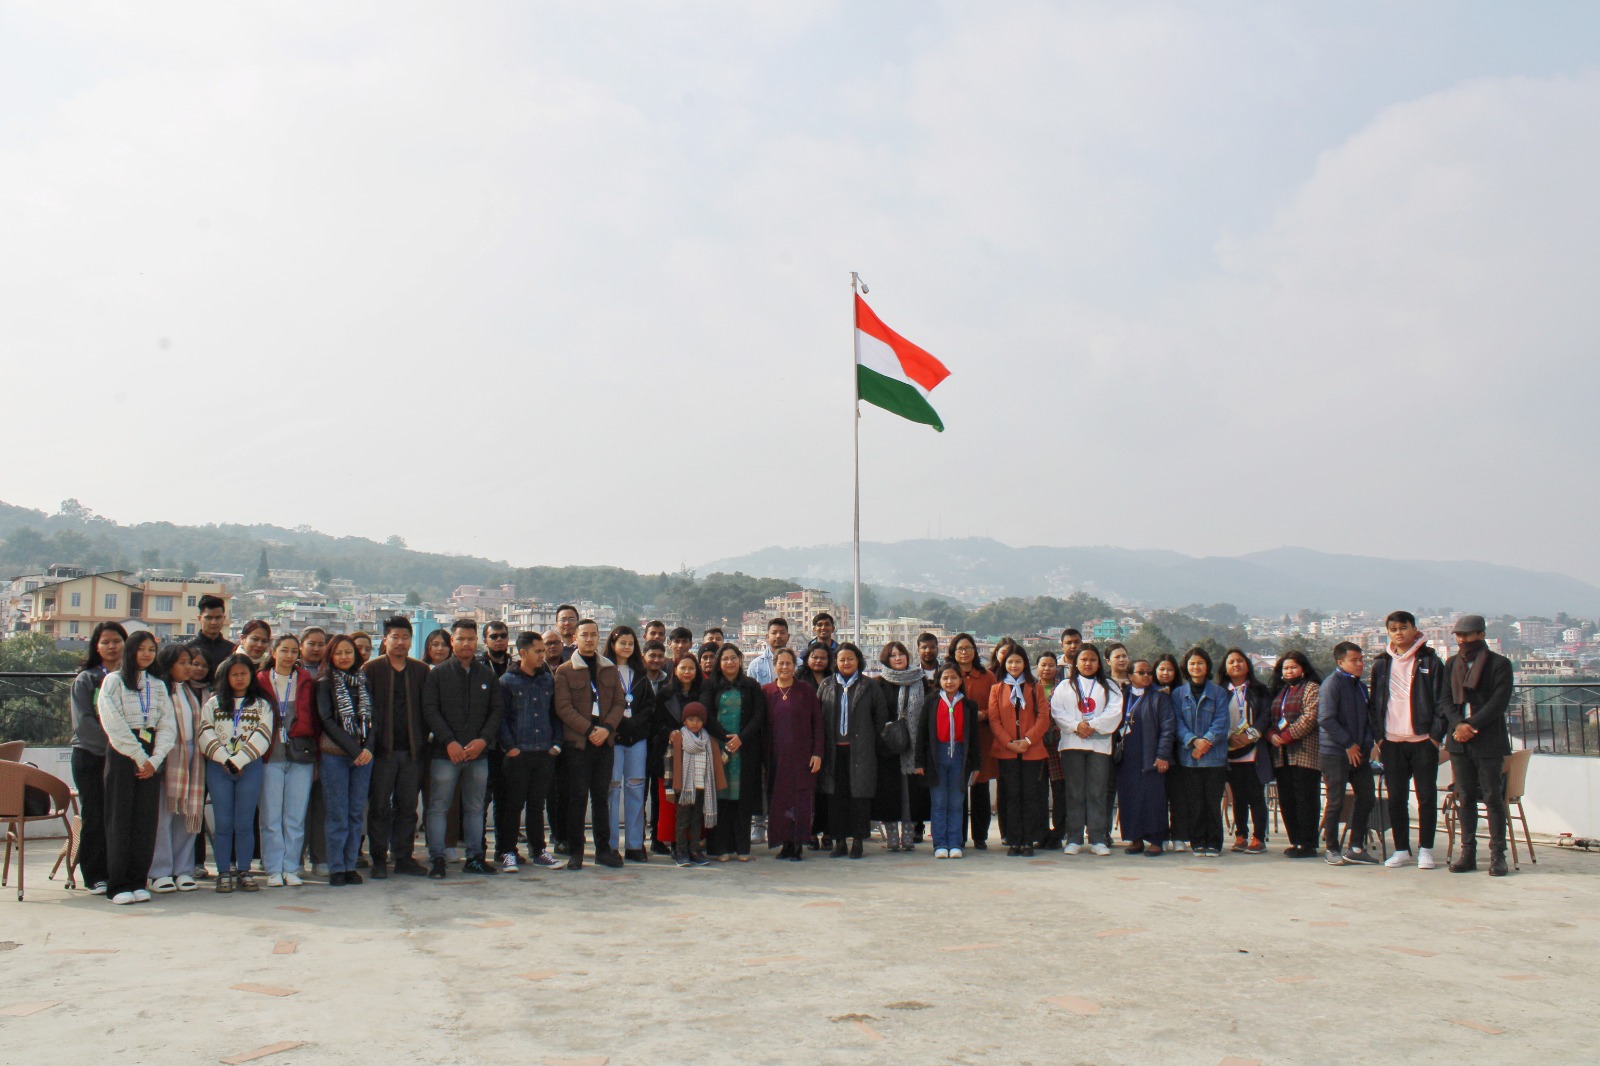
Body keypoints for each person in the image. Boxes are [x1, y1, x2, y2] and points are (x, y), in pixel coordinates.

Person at [96, 630, 176, 904]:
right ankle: (118, 885)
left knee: (145, 820)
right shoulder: (113, 682)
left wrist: (154, 760)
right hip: (122, 754)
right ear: (130, 651)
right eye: (141, 649)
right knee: (120, 819)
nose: (146, 654)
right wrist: (138, 756)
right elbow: (112, 723)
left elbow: (167, 725)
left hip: (151, 756)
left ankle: (137, 880)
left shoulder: (158, 685)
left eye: (151, 650)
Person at [421, 618, 505, 878]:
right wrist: (449, 742)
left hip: (478, 754)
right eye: (461, 639)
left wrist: (482, 741)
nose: (466, 643)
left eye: (471, 639)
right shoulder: (438, 674)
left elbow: (496, 711)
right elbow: (430, 710)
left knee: (475, 807)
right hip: (445, 754)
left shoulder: (486, 674)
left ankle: (475, 857)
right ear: (452, 642)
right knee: (438, 806)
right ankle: (437, 858)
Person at [1369, 611, 1448, 870]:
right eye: (1393, 629)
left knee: (1426, 797)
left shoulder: (1430, 661)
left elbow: (1442, 701)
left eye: (1403, 627)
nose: (1399, 633)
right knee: (1396, 798)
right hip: (1392, 742)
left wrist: (1435, 737)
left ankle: (1426, 850)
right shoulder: (1381, 663)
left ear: (1414, 629)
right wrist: (1379, 738)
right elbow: (1374, 703)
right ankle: (1402, 849)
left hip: (1423, 740)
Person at [1443, 615, 1515, 877]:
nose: (1463, 640)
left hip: (1488, 741)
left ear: (1481, 635)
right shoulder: (1452, 664)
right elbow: (1445, 700)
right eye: (1459, 636)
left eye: (1468, 635)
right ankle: (1468, 853)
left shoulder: (1499, 664)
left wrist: (1469, 725)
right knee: (1465, 799)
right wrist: (1457, 724)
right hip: (1459, 742)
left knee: (1493, 798)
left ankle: (1498, 855)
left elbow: (1498, 703)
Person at [552, 618, 626, 870]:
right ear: (575, 638)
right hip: (578, 744)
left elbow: (619, 702)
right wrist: (589, 730)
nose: (589, 639)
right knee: (577, 798)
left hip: (604, 744)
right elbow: (563, 707)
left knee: (601, 798)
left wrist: (606, 729)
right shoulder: (564, 670)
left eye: (594, 634)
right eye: (584, 635)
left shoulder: (609, 668)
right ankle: (576, 851)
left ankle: (603, 850)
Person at [198, 652, 274, 893]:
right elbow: (204, 732)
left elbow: (264, 734)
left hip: (249, 768)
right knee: (223, 823)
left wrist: (239, 760)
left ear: (251, 676)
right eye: (234, 675)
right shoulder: (213, 703)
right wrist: (225, 758)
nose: (239, 678)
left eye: (244, 674)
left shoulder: (261, 705)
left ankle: (244, 870)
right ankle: (223, 872)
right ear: (226, 677)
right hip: (218, 768)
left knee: (244, 822)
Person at [363, 616, 430, 877]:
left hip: (412, 750)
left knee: (407, 807)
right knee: (379, 806)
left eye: (405, 637)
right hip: (382, 752)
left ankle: (403, 856)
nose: (401, 642)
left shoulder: (421, 670)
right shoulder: (371, 669)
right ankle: (379, 859)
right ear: (385, 639)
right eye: (395, 637)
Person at [496, 631, 563, 871]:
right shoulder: (507, 682)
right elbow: (501, 718)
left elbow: (555, 714)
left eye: (543, 651)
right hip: (518, 753)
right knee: (512, 805)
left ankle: (539, 850)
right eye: (538, 651)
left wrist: (556, 744)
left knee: (537, 805)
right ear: (522, 653)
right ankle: (508, 852)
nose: (542, 656)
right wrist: (510, 747)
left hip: (544, 752)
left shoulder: (547, 680)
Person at [70, 621, 127, 895]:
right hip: (92, 757)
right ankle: (94, 875)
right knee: (94, 815)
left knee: (119, 816)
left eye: (116, 640)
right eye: (105, 642)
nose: (111, 646)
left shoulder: (136, 679)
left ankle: (118, 871)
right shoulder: (88, 679)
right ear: (96, 647)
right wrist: (119, 745)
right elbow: (84, 724)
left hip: (126, 758)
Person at [1052, 644, 1124, 856]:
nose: (1088, 663)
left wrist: (1093, 726)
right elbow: (1057, 711)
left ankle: (1098, 838)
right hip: (1072, 744)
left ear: (1099, 663)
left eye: (1092, 659)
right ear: (1076, 663)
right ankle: (1073, 838)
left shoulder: (1109, 685)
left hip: (1099, 746)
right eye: (1083, 659)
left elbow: (1115, 712)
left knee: (1097, 792)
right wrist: (1077, 726)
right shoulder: (1065, 686)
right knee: (1074, 792)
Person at [258, 634, 318, 887]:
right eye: (284, 650)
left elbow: (315, 719)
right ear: (273, 652)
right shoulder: (260, 680)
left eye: (294, 651)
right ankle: (273, 867)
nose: (289, 655)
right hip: (270, 754)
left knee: (295, 814)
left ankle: (291, 866)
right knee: (271, 815)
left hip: (301, 753)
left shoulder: (306, 680)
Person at [316, 634, 376, 887]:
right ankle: (336, 867)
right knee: (337, 813)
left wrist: (368, 748)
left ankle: (351, 864)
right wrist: (354, 750)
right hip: (335, 756)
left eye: (348, 652)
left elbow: (373, 717)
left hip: (364, 758)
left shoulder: (363, 681)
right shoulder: (324, 682)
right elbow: (326, 720)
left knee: (355, 813)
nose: (344, 657)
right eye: (338, 652)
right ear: (331, 655)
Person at [818, 643, 886, 858]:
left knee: (859, 796)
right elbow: (818, 719)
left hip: (861, 751)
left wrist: (872, 743)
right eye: (841, 659)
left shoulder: (869, 686)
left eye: (850, 659)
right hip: (834, 751)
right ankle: (839, 841)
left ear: (858, 661)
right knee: (836, 798)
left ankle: (858, 841)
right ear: (835, 662)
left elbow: (880, 718)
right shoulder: (827, 686)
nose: (846, 663)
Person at [702, 643, 768, 861]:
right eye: (724, 658)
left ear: (740, 660)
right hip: (718, 749)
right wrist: (724, 738)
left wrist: (741, 738)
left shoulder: (751, 686)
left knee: (743, 800)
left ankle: (742, 847)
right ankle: (721, 848)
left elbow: (758, 716)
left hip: (745, 750)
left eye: (733, 658)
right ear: (719, 663)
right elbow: (707, 716)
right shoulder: (710, 687)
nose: (729, 662)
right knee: (720, 799)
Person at [148, 643, 205, 892]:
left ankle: (183, 868)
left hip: (193, 758)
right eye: (182, 662)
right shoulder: (159, 690)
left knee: (188, 814)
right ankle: (160, 871)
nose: (188, 667)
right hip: (169, 758)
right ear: (168, 664)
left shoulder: (191, 691)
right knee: (164, 816)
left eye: (189, 662)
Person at [1318, 642, 1379, 866]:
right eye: (1354, 660)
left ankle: (1355, 846)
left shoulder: (1360, 687)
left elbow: (1367, 720)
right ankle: (1332, 848)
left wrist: (1365, 744)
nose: (1360, 664)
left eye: (1361, 660)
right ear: (1340, 662)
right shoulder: (1331, 685)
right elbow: (1326, 718)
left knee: (1367, 796)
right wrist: (1348, 744)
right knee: (1335, 801)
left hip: (1359, 753)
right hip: (1335, 752)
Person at [763, 647, 824, 860]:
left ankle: (798, 843)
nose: (785, 667)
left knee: (801, 799)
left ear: (795, 666)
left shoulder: (805, 690)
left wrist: (817, 753)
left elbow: (817, 723)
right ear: (775, 665)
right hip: (777, 759)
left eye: (789, 663)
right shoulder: (767, 692)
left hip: (802, 757)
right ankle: (784, 843)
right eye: (781, 663)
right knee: (779, 801)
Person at [990, 645, 1050, 857]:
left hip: (1031, 750)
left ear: (1025, 663)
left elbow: (1043, 718)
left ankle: (1028, 841)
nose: (1014, 666)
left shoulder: (1035, 688)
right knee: (1012, 796)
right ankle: (1014, 840)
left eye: (1017, 661)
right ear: (1004, 665)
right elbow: (994, 720)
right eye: (1009, 662)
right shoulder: (997, 689)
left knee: (1030, 795)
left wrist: (1027, 740)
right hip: (1007, 751)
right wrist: (1009, 742)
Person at [1171, 647, 1230, 858]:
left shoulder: (1219, 692)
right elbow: (1176, 722)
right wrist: (1193, 741)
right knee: (1194, 802)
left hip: (1214, 758)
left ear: (1208, 666)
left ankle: (1213, 842)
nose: (1196, 667)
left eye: (1200, 663)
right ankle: (1197, 841)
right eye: (1192, 663)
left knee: (1212, 802)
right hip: (1189, 758)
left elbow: (1222, 722)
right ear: (1186, 667)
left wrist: (1206, 742)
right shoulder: (1178, 694)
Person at [918, 663, 981, 858]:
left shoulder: (969, 705)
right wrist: (919, 762)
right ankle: (940, 844)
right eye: (945, 678)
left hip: (960, 757)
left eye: (954, 677)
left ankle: (955, 843)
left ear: (960, 680)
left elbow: (975, 739)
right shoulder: (931, 702)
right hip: (937, 757)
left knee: (956, 802)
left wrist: (976, 765)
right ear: (939, 681)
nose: (949, 681)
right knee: (938, 802)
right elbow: (922, 734)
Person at [605, 626, 656, 862]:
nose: (626, 647)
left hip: (637, 739)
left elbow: (649, 705)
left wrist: (636, 723)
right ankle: (611, 844)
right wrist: (617, 725)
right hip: (612, 739)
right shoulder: (603, 671)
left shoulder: (640, 673)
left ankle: (635, 845)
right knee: (612, 790)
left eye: (630, 643)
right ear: (613, 644)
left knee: (636, 790)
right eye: (622, 642)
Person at [1115, 660, 1176, 855]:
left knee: (1153, 799)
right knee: (1130, 797)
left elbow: (1168, 728)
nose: (1147, 676)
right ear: (1131, 676)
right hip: (1128, 757)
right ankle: (1135, 839)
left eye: (1149, 673)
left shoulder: (1159, 697)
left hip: (1151, 756)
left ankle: (1157, 840)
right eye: (1141, 672)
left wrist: (1163, 755)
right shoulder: (1122, 696)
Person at [1267, 651, 1323, 858]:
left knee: (1306, 799)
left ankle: (1308, 843)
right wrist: (1272, 735)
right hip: (1281, 755)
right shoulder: (1278, 692)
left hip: (1305, 754)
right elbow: (1268, 719)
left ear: (1303, 668)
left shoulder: (1312, 688)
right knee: (1287, 799)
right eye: (1286, 668)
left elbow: (1311, 716)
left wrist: (1288, 735)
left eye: (1293, 667)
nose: (1290, 671)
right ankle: (1296, 841)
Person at [874, 641, 928, 852]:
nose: (898, 658)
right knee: (889, 794)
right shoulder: (878, 683)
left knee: (911, 794)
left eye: (901, 654)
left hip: (913, 747)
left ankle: (909, 835)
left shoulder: (920, 681)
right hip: (888, 747)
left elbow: (925, 714)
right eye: (892, 655)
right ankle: (892, 838)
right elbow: (876, 715)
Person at [1222, 649, 1274, 855]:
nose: (1236, 665)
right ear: (1225, 668)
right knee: (1238, 798)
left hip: (1253, 751)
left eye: (1240, 661)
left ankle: (1258, 837)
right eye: (1231, 661)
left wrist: (1251, 735)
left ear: (1247, 665)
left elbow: (1265, 715)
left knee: (1256, 796)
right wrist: (1227, 735)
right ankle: (1240, 835)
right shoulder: (1220, 691)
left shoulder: (1259, 690)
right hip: (1230, 750)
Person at [948, 633, 996, 849]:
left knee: (980, 787)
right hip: (955, 739)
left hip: (981, 737)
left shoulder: (988, 677)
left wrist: (982, 714)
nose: (964, 652)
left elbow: (996, 707)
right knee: (958, 789)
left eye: (968, 648)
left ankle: (980, 836)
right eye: (959, 648)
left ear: (975, 651)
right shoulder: (948, 675)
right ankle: (958, 835)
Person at [653, 654, 703, 855]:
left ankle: (692, 844)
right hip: (670, 756)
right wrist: (670, 733)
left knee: (694, 804)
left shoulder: (701, 694)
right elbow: (656, 723)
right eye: (683, 668)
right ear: (675, 670)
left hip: (695, 755)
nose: (687, 672)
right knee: (671, 804)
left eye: (691, 668)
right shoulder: (664, 694)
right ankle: (675, 844)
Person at [670, 702, 724, 867]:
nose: (695, 723)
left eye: (699, 720)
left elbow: (719, 759)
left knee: (696, 821)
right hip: (685, 788)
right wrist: (669, 787)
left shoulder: (708, 740)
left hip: (702, 787)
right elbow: (669, 762)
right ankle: (680, 851)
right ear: (684, 721)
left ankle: (695, 850)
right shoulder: (678, 737)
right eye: (691, 719)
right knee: (682, 820)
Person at [1036, 651, 1066, 850]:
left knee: (1060, 791)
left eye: (1051, 665)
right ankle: (1041, 833)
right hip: (1037, 745)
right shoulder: (1030, 688)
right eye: (1043, 665)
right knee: (1039, 792)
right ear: (1037, 667)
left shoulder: (1064, 688)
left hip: (1058, 747)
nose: (1047, 668)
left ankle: (1059, 832)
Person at [188, 594, 236, 681]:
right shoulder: (187, 650)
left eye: (218, 618)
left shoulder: (233, 650)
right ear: (199, 618)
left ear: (224, 618)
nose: (213, 622)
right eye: (208, 618)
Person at [747, 617, 791, 686]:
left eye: (782, 633)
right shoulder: (755, 665)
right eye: (774, 633)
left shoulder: (799, 664)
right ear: (767, 637)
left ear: (788, 637)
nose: (778, 636)